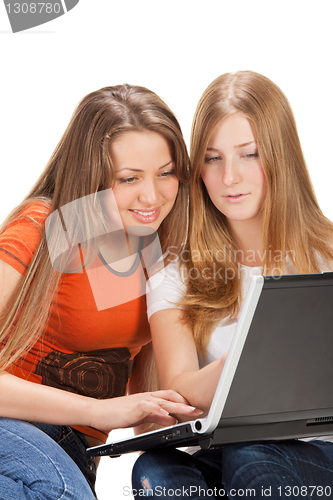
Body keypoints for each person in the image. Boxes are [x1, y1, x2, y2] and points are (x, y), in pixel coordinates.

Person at [131, 71, 333, 499]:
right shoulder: (173, 275)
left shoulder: (327, 253)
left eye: (249, 155)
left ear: (280, 156)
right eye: (213, 158)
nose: (230, 178)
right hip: (223, 453)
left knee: (252, 454)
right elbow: (180, 389)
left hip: (318, 456)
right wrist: (259, 350)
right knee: (157, 470)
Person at [0, 84, 202, 500]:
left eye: (165, 173)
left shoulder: (158, 245)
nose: (152, 196)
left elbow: (142, 380)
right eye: (128, 179)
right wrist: (98, 411)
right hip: (14, 429)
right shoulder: (42, 228)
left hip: (76, 453)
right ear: (92, 176)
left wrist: (157, 416)